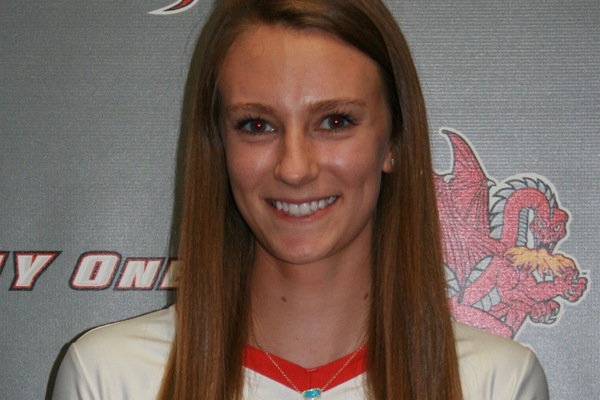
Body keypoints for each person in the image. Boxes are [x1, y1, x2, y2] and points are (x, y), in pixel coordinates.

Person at [52, 0, 549, 399]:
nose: (294, 168)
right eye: (257, 125)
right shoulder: (109, 378)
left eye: (335, 121)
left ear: (394, 142)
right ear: (219, 146)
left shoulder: (497, 384)